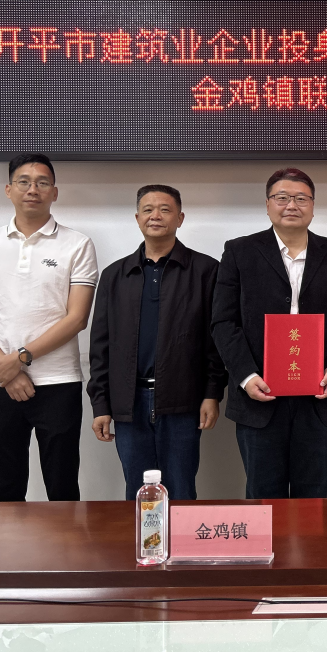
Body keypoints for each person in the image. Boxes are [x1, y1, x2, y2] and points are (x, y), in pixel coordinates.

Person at [212, 167, 327, 499]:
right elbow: (223, 322)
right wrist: (247, 376)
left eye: (301, 198)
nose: (291, 205)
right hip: (259, 396)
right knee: (263, 495)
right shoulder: (239, 252)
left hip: (317, 397)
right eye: (282, 197)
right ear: (267, 205)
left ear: (313, 205)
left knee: (313, 496)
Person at [0, 154, 97, 501]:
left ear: (55, 192)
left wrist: (19, 359)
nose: (32, 189)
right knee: (3, 490)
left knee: (62, 489)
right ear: (8, 190)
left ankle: (64, 542)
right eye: (23, 181)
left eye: (42, 183)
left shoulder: (77, 244)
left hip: (58, 382)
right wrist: (6, 372)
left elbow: (76, 318)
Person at [88, 185, 227, 500]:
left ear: (180, 218)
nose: (156, 216)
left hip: (183, 398)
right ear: (137, 218)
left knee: (180, 487)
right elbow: (101, 347)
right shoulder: (115, 275)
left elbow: (215, 341)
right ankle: (143, 537)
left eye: (165, 209)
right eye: (148, 209)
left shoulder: (205, 271)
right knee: (138, 492)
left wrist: (212, 394)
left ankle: (181, 536)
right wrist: (101, 404)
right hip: (129, 401)